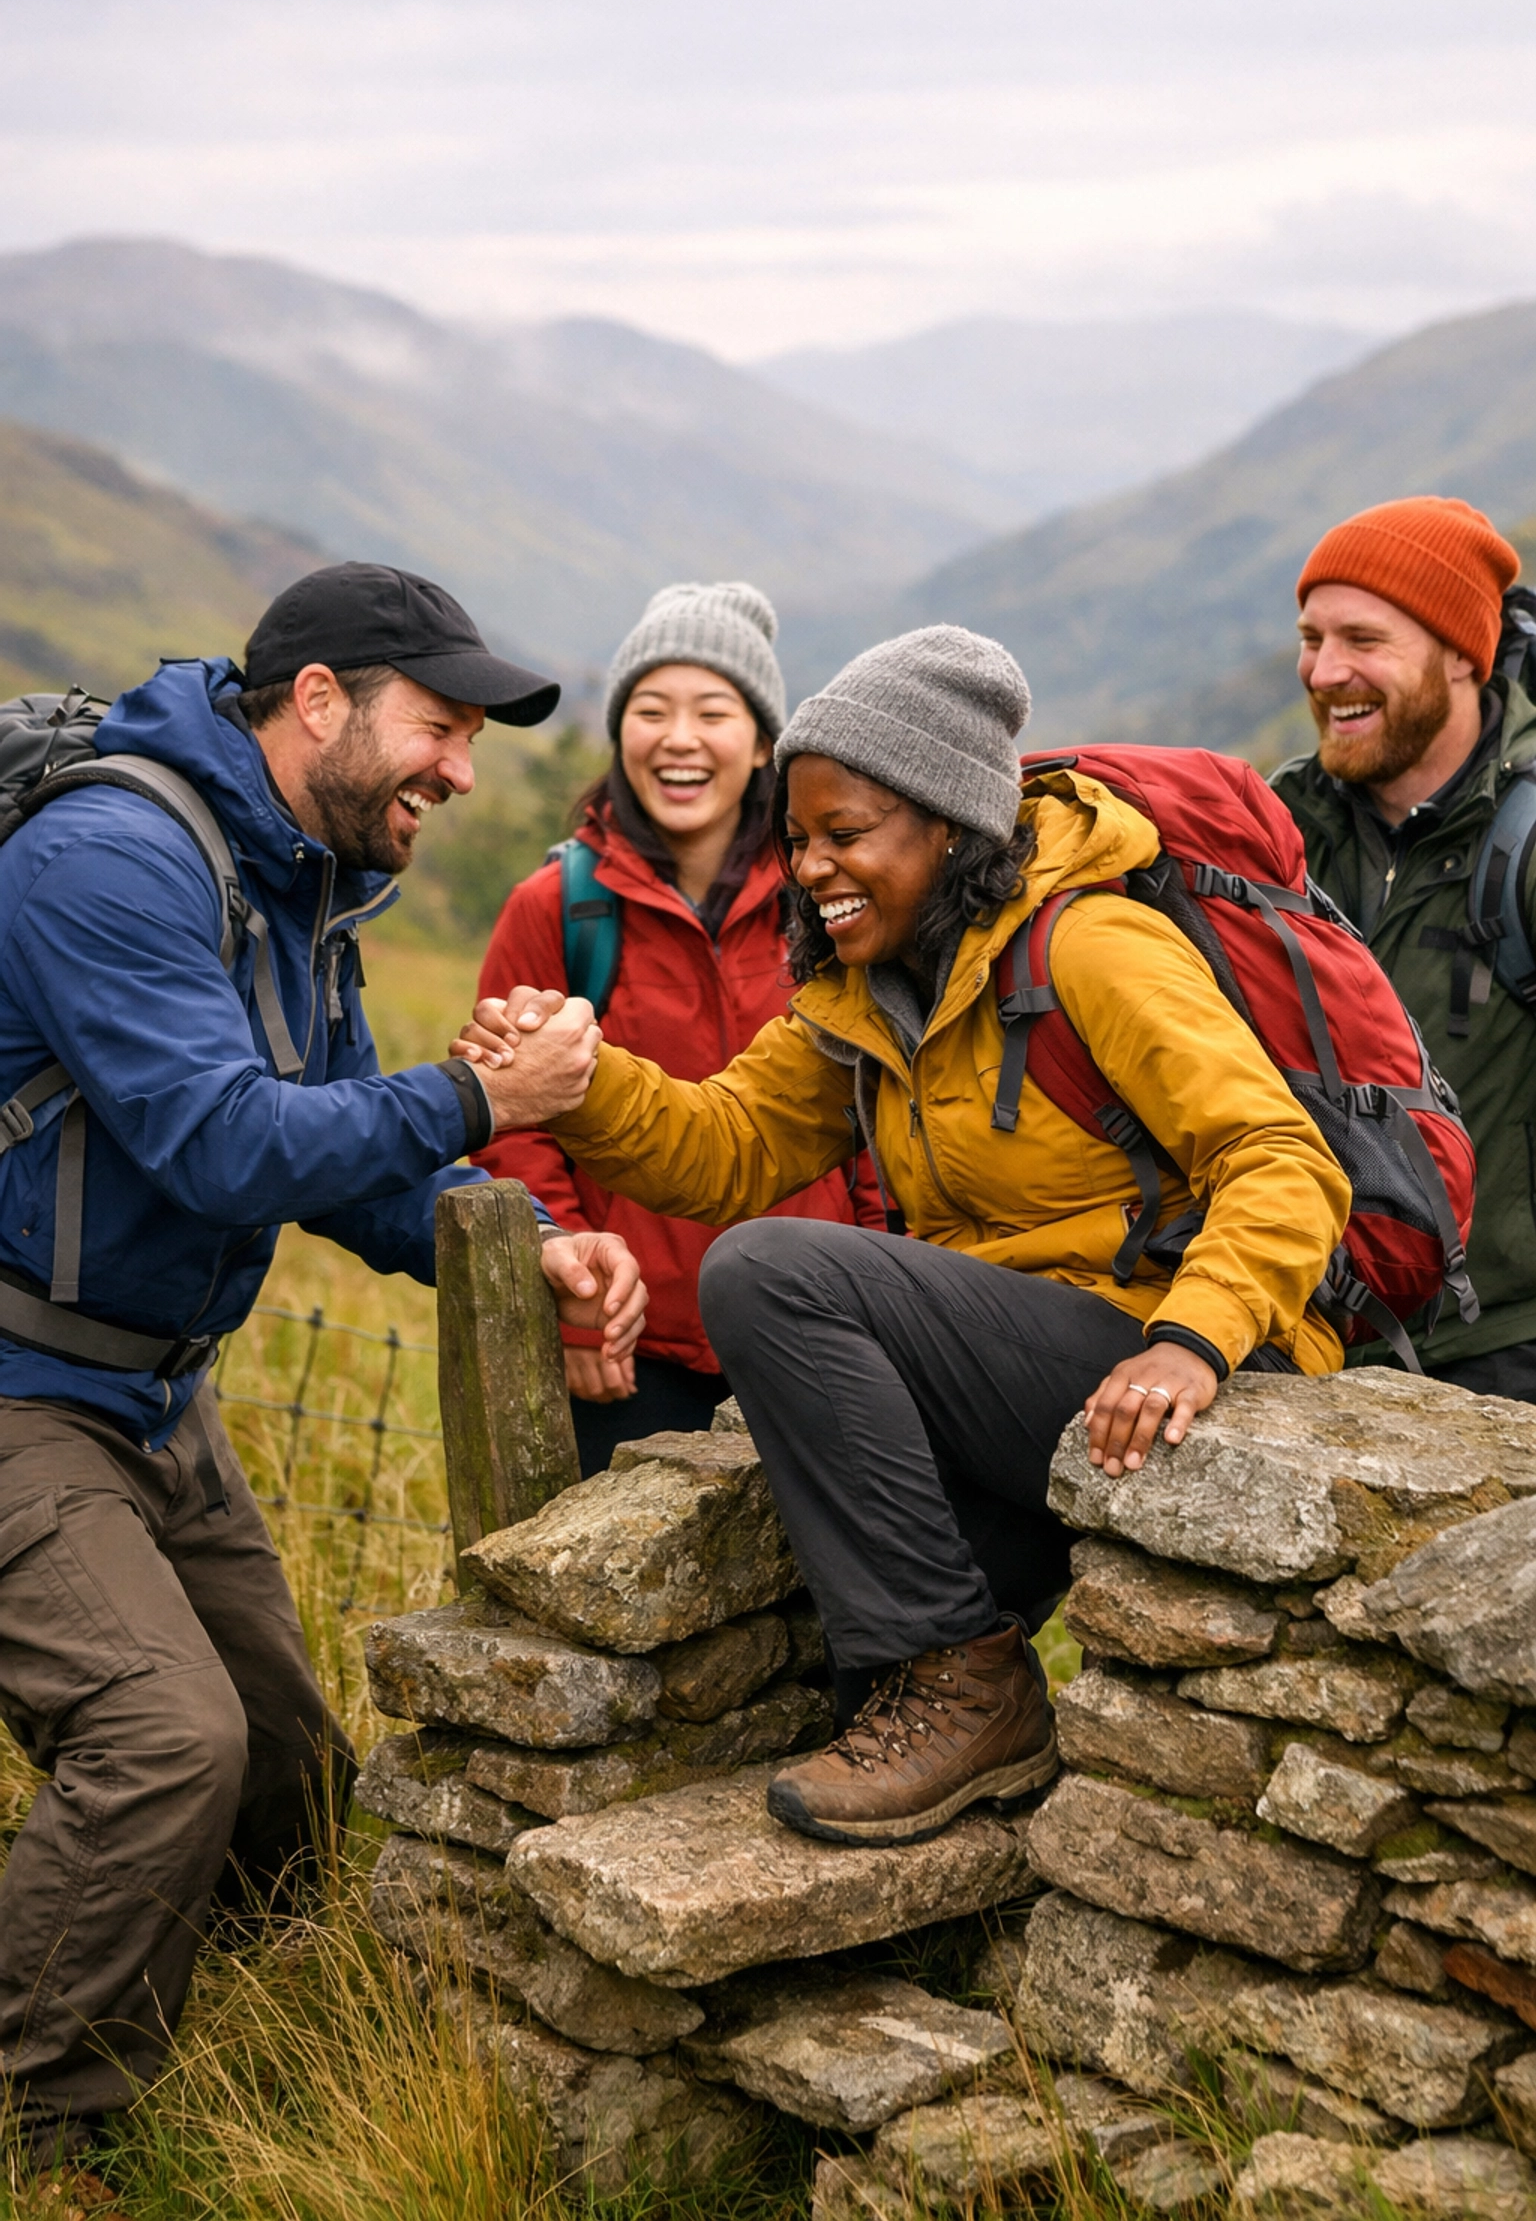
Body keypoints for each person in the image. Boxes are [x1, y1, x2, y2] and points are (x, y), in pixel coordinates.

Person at [456, 625, 1351, 1849]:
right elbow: (722, 1147)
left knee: (773, 1272)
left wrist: (1192, 1340)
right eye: (802, 836)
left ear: (946, 825)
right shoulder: (867, 995)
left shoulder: (1090, 946)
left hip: (1158, 1360)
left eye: (847, 832)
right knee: (827, 1656)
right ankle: (937, 1723)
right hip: (1030, 1376)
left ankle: (965, 1687)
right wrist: (580, 1082)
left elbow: (1284, 1158)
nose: (814, 864)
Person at [0, 562, 640, 2162]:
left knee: (285, 1773)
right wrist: (487, 1103)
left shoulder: (296, 883)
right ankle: (42, 2127)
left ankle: (236, 2018)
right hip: (19, 1386)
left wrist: (514, 1238)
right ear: (317, 704)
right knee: (165, 1742)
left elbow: (346, 1164)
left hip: (155, 1387)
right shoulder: (110, 859)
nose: (462, 770)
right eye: (439, 726)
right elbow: (221, 1143)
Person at [475, 581, 882, 1474]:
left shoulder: (832, 897)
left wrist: (884, 1281)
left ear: (765, 741)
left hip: (815, 1327)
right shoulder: (560, 907)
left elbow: (876, 1111)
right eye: (651, 709)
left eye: (714, 710)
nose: (680, 738)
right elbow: (512, 1124)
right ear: (621, 731)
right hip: (626, 1351)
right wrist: (575, 1290)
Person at [1271, 496, 1536, 1396]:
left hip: (1502, 1351)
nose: (1325, 670)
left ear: (1464, 651)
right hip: (1304, 1340)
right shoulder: (1271, 838)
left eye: (1363, 639)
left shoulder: (1527, 842)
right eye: (1312, 637)